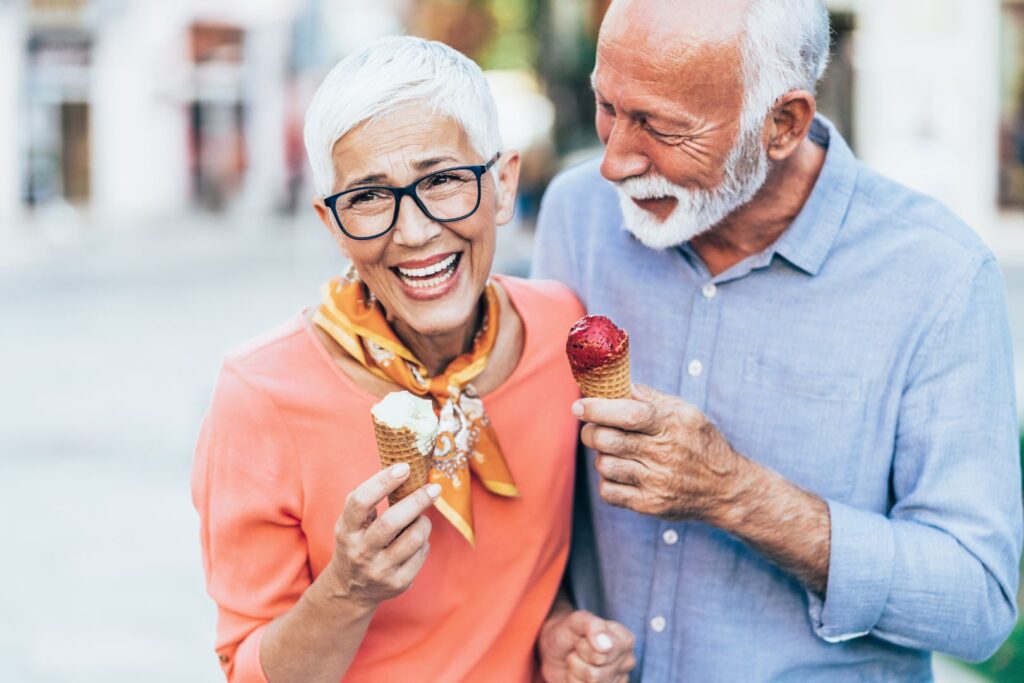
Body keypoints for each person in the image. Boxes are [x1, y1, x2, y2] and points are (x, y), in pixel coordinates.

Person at [532, 0, 1023, 680]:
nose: (613, 161)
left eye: (660, 126)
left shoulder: (938, 275)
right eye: (608, 106)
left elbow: (977, 600)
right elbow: (536, 484)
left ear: (783, 124)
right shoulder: (575, 213)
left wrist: (737, 493)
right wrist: (553, 617)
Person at [192, 36, 635, 682]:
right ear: (331, 223)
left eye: (445, 179)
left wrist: (558, 625)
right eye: (369, 196)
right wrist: (347, 588)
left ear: (503, 183)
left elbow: (523, 574)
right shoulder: (260, 393)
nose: (414, 230)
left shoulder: (558, 332)